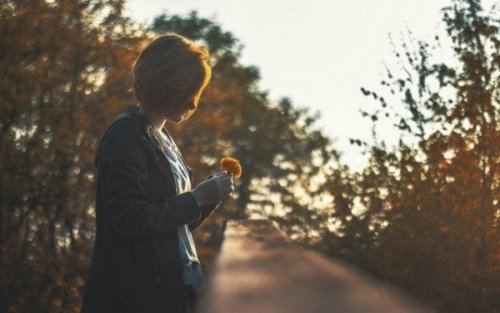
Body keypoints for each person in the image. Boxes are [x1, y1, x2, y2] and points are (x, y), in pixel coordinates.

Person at [81, 33, 234, 313]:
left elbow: (169, 228)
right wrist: (196, 198)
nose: (193, 104)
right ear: (165, 85)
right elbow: (130, 220)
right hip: (135, 298)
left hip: (172, 289)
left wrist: (208, 198)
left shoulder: (163, 140)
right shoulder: (126, 135)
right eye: (188, 91)